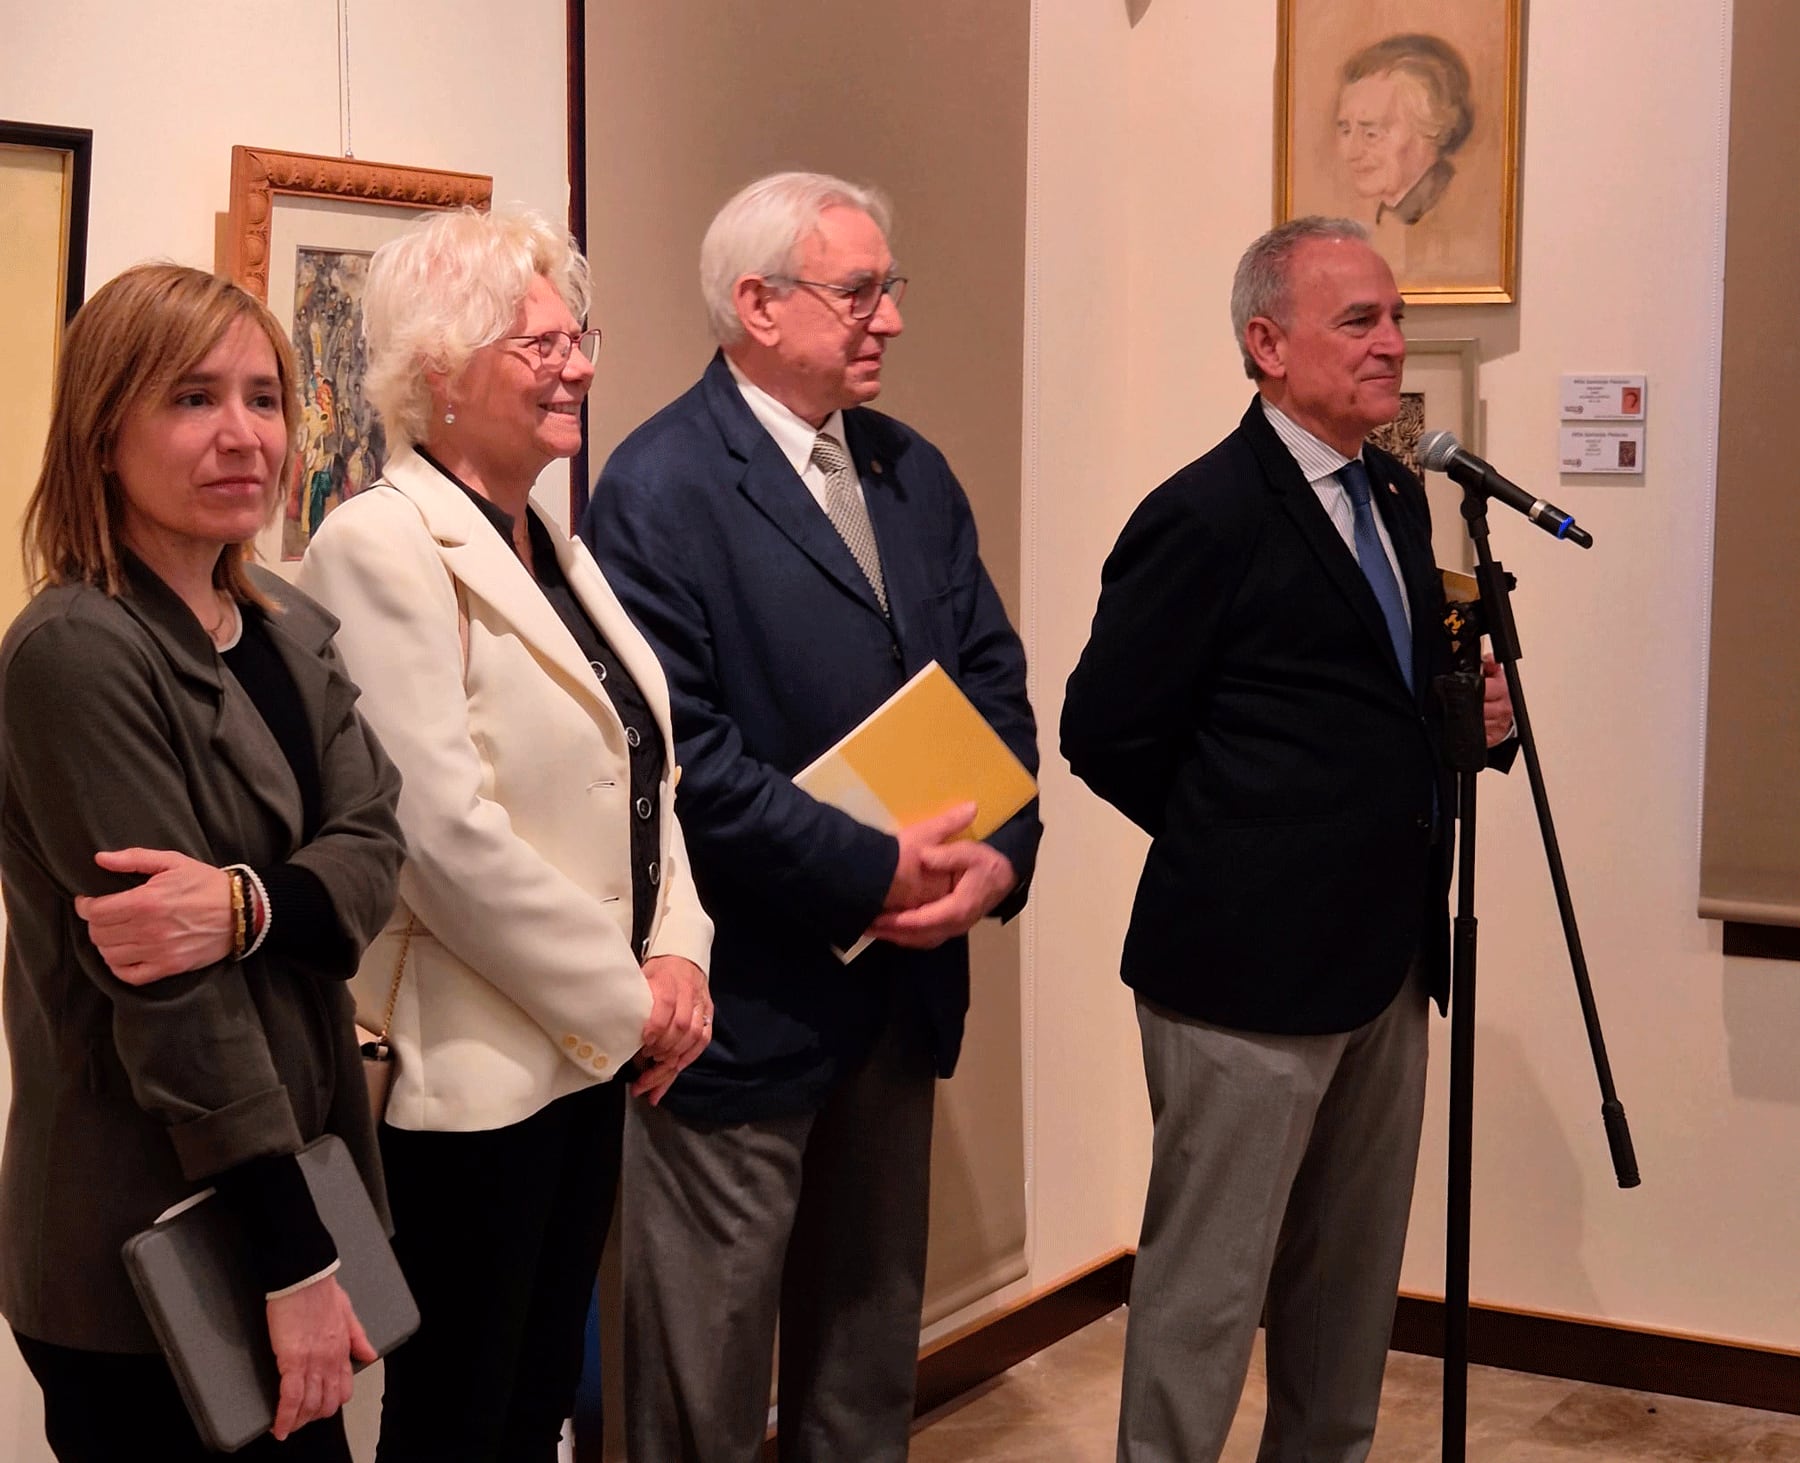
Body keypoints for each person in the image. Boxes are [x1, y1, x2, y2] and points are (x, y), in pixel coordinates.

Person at [580, 170, 1041, 1462]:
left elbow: (995, 683)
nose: (889, 316)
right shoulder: (661, 484)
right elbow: (683, 758)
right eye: (860, 290)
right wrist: (873, 869)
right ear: (756, 303)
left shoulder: (909, 469)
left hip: (898, 995)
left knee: (863, 1365)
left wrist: (993, 864)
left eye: (890, 287)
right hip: (743, 1001)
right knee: (700, 1383)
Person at [1061, 216, 1515, 1463]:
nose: (1392, 342)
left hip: (1386, 964)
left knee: (1346, 1304)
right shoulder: (1204, 513)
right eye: (1357, 320)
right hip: (1241, 981)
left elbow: (1384, 702)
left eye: (1397, 316)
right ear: (1267, 344)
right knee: (1205, 1301)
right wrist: (1247, 846)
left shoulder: (1395, 494)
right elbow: (1103, 729)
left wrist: (1474, 717)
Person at [296, 207, 715, 1463]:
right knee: (465, 1419)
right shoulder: (377, 545)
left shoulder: (549, 542)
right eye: (541, 345)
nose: (579, 364)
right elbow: (440, 836)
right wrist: (631, 996)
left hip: (588, 1056)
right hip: (475, 1080)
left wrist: (683, 951)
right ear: (440, 370)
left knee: (537, 1400)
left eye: (576, 335)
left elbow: (649, 769)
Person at [0, 263, 406, 1460]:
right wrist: (292, 1257)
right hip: (160, 1224)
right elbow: (177, 1005)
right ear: (103, 432)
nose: (245, 435)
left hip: (294, 1178)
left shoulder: (275, 623)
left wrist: (245, 904)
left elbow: (378, 847)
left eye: (265, 397)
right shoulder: (76, 651)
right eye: (191, 399)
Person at [1334, 33, 1475, 226]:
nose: (1352, 152)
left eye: (1371, 134)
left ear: (1432, 127)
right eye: (1346, 131)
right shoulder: (1383, 220)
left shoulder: (1462, 217)